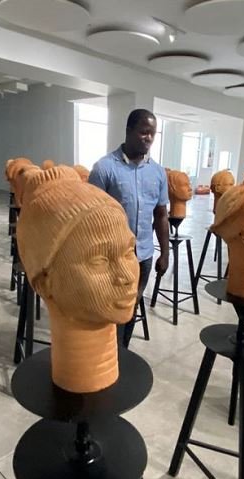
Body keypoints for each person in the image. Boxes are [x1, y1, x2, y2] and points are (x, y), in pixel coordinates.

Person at [89, 108, 169, 348]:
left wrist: (164, 254)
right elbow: (91, 218)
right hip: (111, 257)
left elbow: (161, 215)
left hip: (143, 255)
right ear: (129, 131)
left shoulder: (157, 172)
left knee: (131, 306)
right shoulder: (104, 168)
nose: (148, 138)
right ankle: (105, 357)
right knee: (108, 308)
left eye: (152, 134)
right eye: (144, 132)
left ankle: (121, 353)